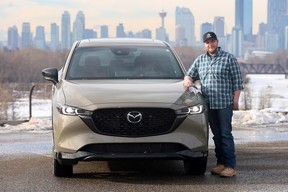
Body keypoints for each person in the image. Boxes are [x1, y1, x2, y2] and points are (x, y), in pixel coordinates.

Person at [183, 32, 244, 177]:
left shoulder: (228, 58)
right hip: (208, 104)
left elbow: (238, 83)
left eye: (213, 41)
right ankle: (221, 164)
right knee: (216, 136)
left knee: (225, 134)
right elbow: (189, 74)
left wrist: (235, 101)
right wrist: (187, 80)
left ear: (217, 41)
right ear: (204, 44)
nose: (210, 44)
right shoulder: (200, 60)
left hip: (224, 104)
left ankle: (230, 166)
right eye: (207, 42)